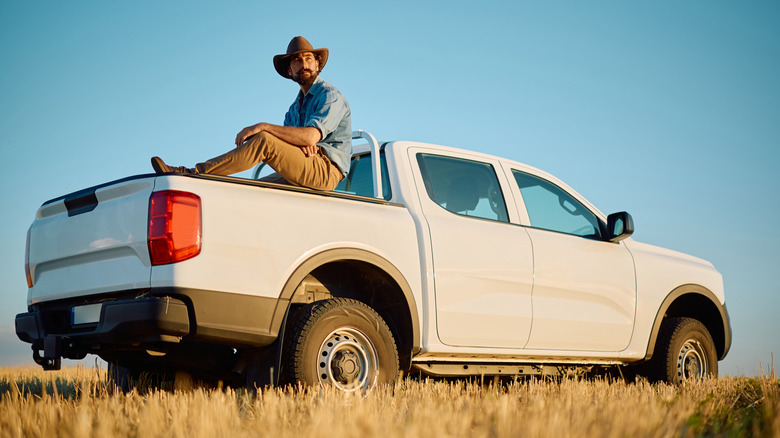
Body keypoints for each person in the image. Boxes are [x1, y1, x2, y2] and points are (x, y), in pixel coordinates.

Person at [150, 36, 351, 191]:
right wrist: (303, 142)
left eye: (308, 58)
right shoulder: (293, 110)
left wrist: (264, 126)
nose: (304, 63)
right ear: (290, 70)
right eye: (297, 60)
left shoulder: (330, 95)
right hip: (306, 165)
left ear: (318, 64)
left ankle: (193, 173)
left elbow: (309, 137)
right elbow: (297, 143)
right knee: (251, 190)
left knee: (265, 140)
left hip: (326, 171)